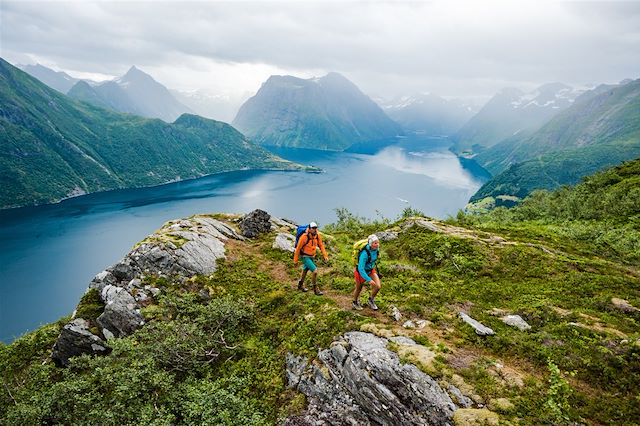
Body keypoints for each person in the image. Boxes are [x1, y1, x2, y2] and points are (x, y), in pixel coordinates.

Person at [293, 222, 329, 296]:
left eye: (315, 228)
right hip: (304, 256)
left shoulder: (317, 236)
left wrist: (325, 255)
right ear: (309, 228)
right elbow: (298, 248)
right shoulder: (304, 236)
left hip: (312, 256)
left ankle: (300, 285)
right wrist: (295, 260)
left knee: (305, 270)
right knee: (315, 271)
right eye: (313, 228)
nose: (314, 229)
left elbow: (321, 245)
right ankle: (315, 289)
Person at [352, 234, 381, 310]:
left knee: (378, 286)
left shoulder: (377, 250)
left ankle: (370, 300)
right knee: (359, 288)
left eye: (378, 242)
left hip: (370, 270)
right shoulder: (364, 254)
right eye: (375, 243)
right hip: (360, 272)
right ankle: (354, 302)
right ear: (370, 244)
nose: (377, 244)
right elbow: (361, 269)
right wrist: (369, 280)